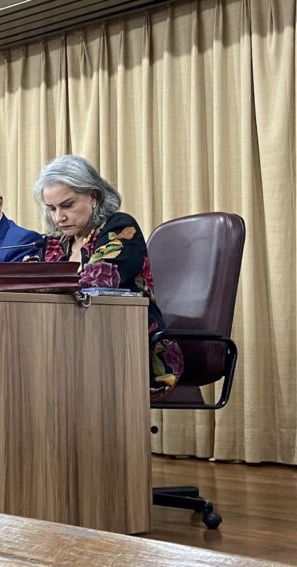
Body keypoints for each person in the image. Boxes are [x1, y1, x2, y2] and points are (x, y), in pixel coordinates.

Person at [33, 155, 182, 400]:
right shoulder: (56, 243)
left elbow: (95, 283)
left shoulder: (120, 228)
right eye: (52, 208)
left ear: (93, 196)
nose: (59, 217)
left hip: (128, 347)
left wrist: (39, 285)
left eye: (67, 205)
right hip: (71, 344)